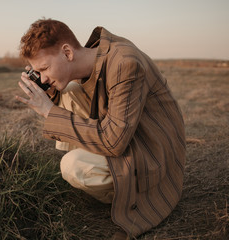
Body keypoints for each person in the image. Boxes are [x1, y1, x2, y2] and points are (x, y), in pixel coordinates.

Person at [16, 18, 186, 239]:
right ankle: (95, 164)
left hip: (153, 153)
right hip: (131, 134)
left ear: (67, 52)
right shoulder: (97, 57)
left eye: (45, 68)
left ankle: (118, 187)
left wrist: (49, 111)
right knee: (69, 90)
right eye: (38, 71)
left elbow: (114, 142)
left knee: (73, 166)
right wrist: (48, 90)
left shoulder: (125, 63)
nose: (43, 77)